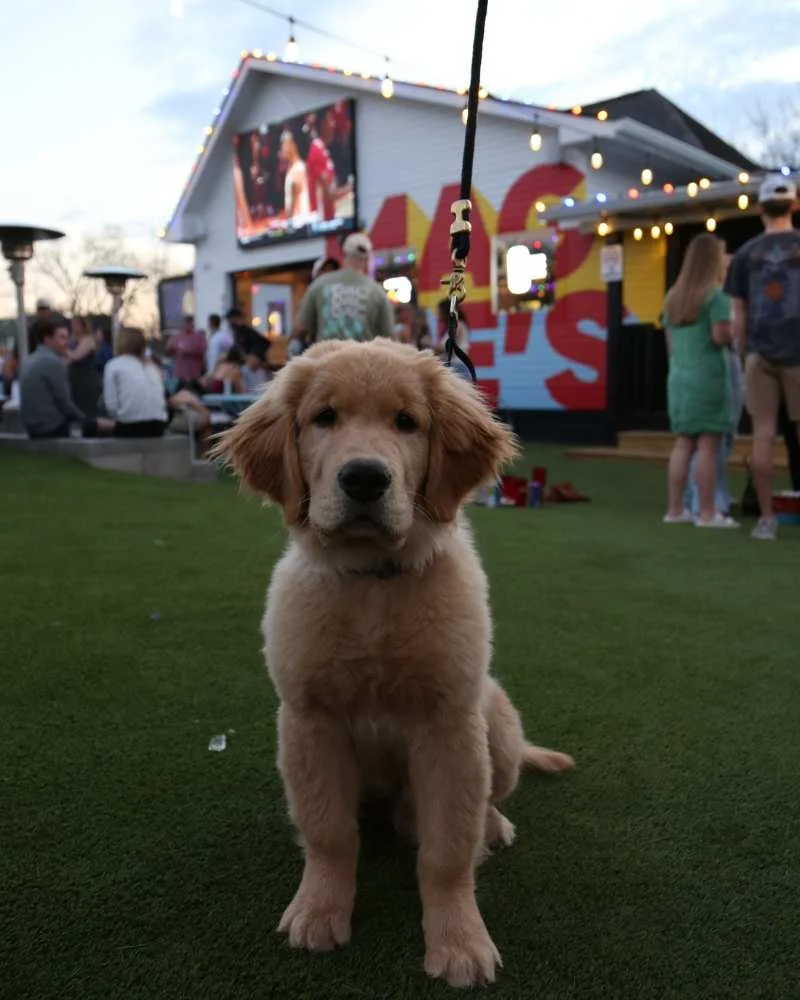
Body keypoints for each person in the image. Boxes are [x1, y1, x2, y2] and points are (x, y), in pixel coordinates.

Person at [726, 174, 800, 540]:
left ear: (760, 209)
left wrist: (743, 355)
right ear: (795, 205)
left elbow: (737, 315)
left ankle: (767, 519)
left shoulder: (744, 254)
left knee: (762, 436)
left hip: (759, 353)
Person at [661, 233, 738, 528]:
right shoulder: (715, 297)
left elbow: (670, 347)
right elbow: (721, 337)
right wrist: (734, 330)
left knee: (683, 444)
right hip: (708, 377)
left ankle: (675, 509)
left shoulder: (673, 297)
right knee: (708, 446)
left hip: (679, 378)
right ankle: (707, 513)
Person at [19, 320, 113, 438]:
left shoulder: (29, 359)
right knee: (95, 425)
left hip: (30, 425)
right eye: (62, 338)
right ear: (47, 339)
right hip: (48, 427)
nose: (66, 342)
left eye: (67, 337)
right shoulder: (53, 362)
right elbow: (64, 403)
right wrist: (89, 422)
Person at [296, 232, 393, 343]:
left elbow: (300, 328)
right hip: (362, 358)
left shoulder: (319, 285)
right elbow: (389, 337)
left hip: (326, 358)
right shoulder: (377, 292)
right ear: (367, 260)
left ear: (344, 254)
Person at [103, 327, 170, 437]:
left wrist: (121, 416)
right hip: (158, 426)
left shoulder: (113, 365)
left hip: (130, 426)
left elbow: (111, 406)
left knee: (92, 425)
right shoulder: (152, 367)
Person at [67, 316, 101, 419]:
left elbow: (76, 356)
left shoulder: (88, 339)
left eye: (76, 324)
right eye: (72, 324)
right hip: (74, 380)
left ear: (83, 326)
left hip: (86, 380)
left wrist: (62, 349)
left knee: (87, 410)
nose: (73, 327)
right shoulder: (71, 340)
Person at [166, 314, 206, 389]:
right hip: (180, 374)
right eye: (186, 322)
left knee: (194, 396)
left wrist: (187, 351)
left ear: (193, 323)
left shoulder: (199, 336)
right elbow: (169, 353)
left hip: (194, 374)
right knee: (180, 396)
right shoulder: (175, 337)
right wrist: (170, 349)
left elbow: (202, 350)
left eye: (190, 322)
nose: (188, 325)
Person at [280, 130, 311, 224]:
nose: (282, 149)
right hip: (294, 222)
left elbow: (294, 207)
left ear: (293, 145)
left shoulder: (299, 169)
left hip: (300, 223)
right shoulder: (291, 168)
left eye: (284, 144)